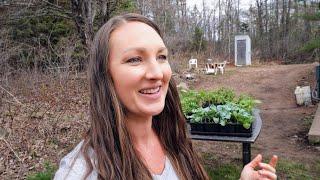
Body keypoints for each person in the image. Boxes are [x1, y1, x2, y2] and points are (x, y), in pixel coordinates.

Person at [54, 13, 278, 180]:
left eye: (161, 56)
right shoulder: (81, 173)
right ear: (105, 75)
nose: (157, 73)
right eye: (134, 59)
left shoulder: (173, 137)